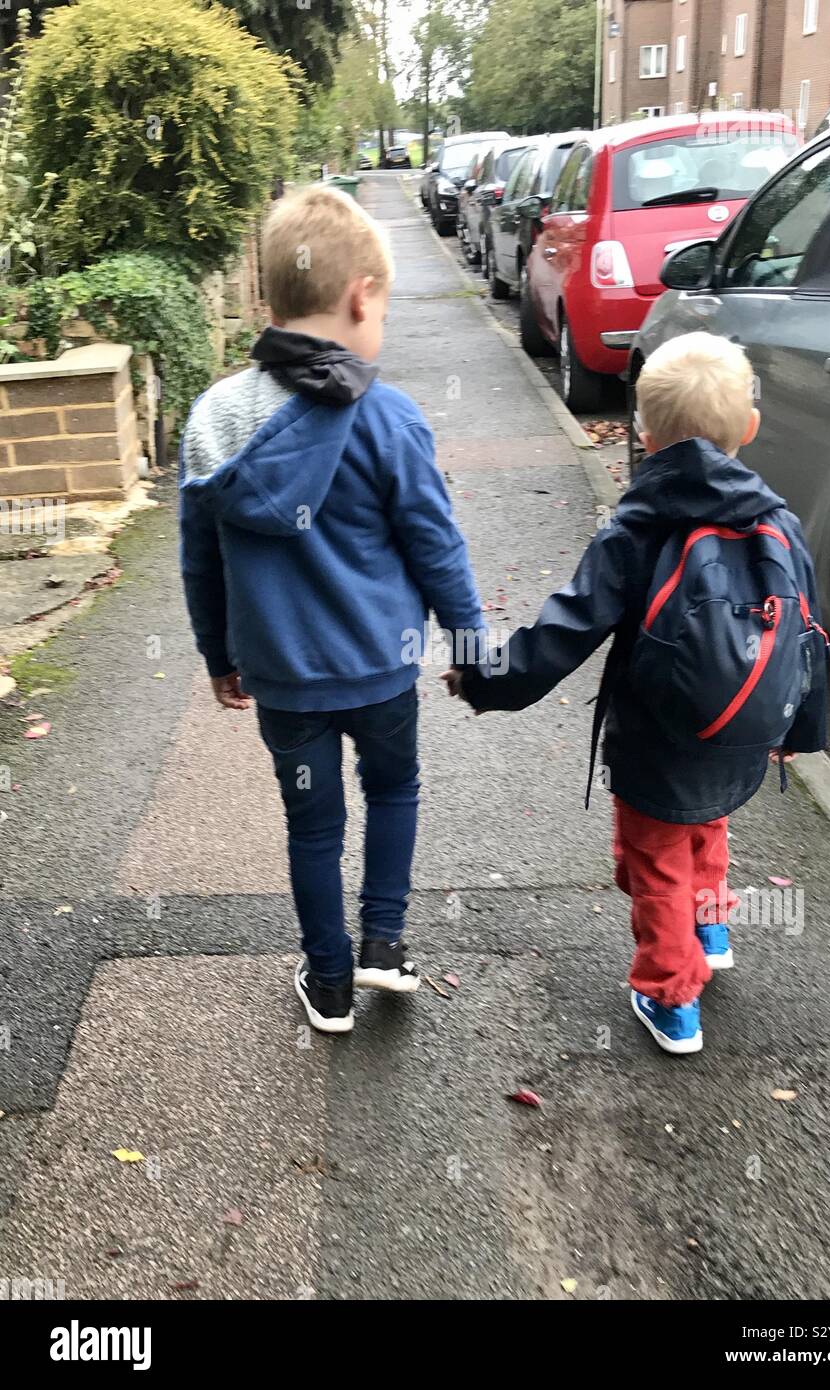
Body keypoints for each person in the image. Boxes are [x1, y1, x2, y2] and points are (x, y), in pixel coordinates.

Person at [445, 332, 827, 1056]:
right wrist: (797, 733)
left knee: (654, 863)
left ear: (643, 436)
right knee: (707, 831)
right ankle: (710, 931)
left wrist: (482, 679)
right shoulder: (779, 523)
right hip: (742, 737)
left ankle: (670, 995)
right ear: (747, 430)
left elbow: (563, 631)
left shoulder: (636, 529)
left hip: (656, 742)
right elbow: (808, 634)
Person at [180, 184, 484, 1034]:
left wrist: (217, 656)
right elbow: (437, 547)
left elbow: (199, 558)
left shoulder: (215, 422)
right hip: (382, 670)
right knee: (394, 793)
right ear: (360, 298)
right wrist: (470, 645)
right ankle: (384, 941)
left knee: (313, 826)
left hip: (284, 681)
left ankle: (331, 981)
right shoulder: (388, 418)